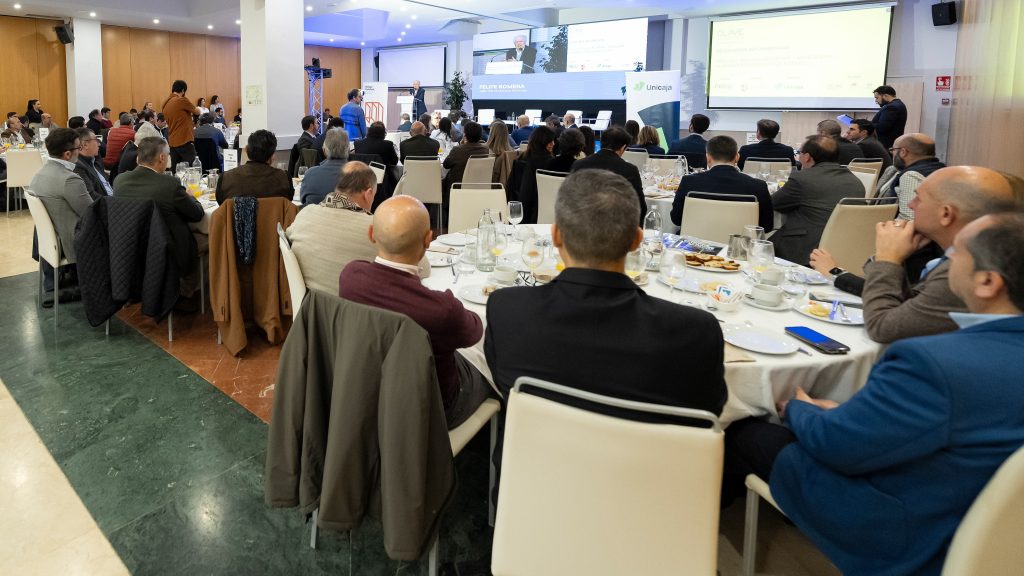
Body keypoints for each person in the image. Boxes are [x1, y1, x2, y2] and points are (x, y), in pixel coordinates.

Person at [732, 210, 1024, 576]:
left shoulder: (934, 361)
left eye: (955, 255)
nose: (942, 263)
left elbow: (838, 445)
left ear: (986, 282)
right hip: (991, 527)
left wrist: (799, 409)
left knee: (746, 424)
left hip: (910, 528)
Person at [485, 169, 728, 489]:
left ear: (556, 235)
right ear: (637, 240)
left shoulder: (508, 310)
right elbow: (708, 413)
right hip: (652, 498)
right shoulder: (695, 332)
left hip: (531, 492)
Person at [339, 195, 489, 428]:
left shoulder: (350, 277)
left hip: (371, 392)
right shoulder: (442, 309)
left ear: (371, 235)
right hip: (434, 409)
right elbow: (474, 332)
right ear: (429, 240)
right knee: (489, 362)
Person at [859, 166, 1016, 343]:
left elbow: (882, 328)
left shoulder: (968, 270)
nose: (911, 205)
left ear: (946, 214)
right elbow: (914, 309)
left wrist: (887, 259)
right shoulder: (986, 252)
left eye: (918, 198)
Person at [289, 161, 429, 293]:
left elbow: (287, 239)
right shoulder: (379, 229)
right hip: (362, 312)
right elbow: (423, 269)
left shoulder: (304, 214)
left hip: (312, 310)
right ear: (368, 194)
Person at [113, 137, 205, 297]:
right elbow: (197, 214)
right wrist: (190, 195)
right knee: (213, 240)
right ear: (162, 158)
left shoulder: (119, 181)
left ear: (137, 158)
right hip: (169, 248)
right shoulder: (170, 184)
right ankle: (187, 293)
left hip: (132, 248)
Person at [771, 135, 864, 266]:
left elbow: (775, 203)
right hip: (847, 247)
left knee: (760, 245)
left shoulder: (802, 178)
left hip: (806, 249)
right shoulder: (855, 181)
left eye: (800, 153)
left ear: (807, 157)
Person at [29, 128, 92, 306]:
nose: (80, 152)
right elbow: (91, 213)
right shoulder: (70, 179)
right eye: (79, 148)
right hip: (72, 242)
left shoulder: (39, 173)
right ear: (67, 154)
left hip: (52, 240)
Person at [671, 135, 773, 231]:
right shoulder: (759, 186)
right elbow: (766, 227)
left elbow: (676, 219)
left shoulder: (689, 182)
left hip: (695, 246)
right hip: (740, 246)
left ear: (708, 158)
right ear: (737, 157)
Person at [571, 127, 646, 225]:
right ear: (623, 148)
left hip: (582, 227)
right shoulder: (629, 170)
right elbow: (640, 207)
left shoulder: (578, 165)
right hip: (615, 230)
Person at [876, 133, 946, 220]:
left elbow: (908, 218)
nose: (892, 154)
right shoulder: (942, 170)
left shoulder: (911, 175)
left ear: (903, 152)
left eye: (893, 150)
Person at [215, 130, 293, 204]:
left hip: (236, 218)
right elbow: (288, 203)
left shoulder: (226, 178)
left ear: (246, 150)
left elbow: (222, 207)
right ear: (273, 156)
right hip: (275, 218)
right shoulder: (284, 178)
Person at [300, 128, 350, 206]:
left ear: (324, 151)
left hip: (314, 217)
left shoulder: (310, 174)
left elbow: (303, 200)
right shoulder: (359, 176)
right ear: (349, 150)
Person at [517, 126, 556, 224]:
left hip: (520, 209)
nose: (553, 144)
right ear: (541, 142)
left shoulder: (521, 158)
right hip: (541, 209)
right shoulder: (548, 162)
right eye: (549, 141)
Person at [162, 79, 203, 167]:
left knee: (176, 170)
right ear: (183, 90)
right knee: (194, 168)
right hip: (184, 140)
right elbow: (197, 111)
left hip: (172, 141)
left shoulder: (165, 103)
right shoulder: (181, 100)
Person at [442, 121, 488, 193]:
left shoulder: (458, 150)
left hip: (457, 187)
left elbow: (446, 165)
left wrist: (460, 146)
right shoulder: (485, 150)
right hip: (479, 186)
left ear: (465, 135)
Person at [72, 128, 113, 201]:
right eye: (96, 141)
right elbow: (92, 196)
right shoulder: (78, 167)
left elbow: (106, 184)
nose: (99, 144)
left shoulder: (94, 160)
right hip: (106, 205)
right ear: (85, 145)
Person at [871, 85, 908, 149]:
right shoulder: (896, 104)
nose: (876, 101)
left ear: (885, 96)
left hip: (886, 145)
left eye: (877, 98)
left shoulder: (892, 107)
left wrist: (867, 124)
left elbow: (882, 127)